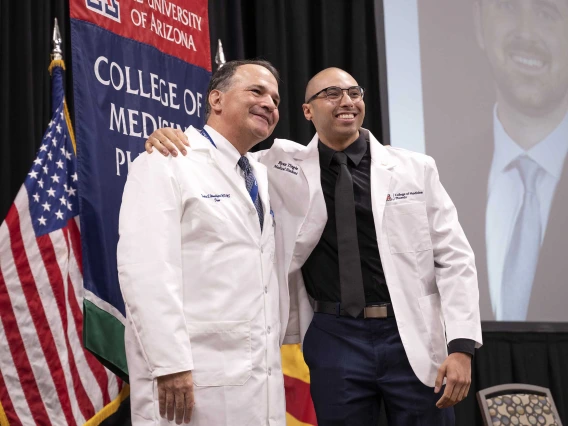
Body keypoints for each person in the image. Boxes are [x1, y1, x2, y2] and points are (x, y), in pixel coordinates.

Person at [147, 67, 482, 425]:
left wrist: (461, 346)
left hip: (411, 333)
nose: (347, 102)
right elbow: (222, 156)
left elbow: (455, 258)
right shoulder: (276, 166)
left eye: (355, 93)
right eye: (333, 94)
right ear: (308, 111)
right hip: (334, 335)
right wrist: (172, 137)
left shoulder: (416, 168)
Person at [117, 60, 287, 426]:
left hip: (259, 378)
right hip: (192, 377)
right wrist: (169, 364)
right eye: (256, 91)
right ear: (217, 99)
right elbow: (145, 270)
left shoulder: (260, 172)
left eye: (275, 98)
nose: (270, 103)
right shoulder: (166, 161)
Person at [472, 0, 568, 320]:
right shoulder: (433, 179)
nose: (526, 32)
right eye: (508, 6)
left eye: (547, 12)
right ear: (479, 23)